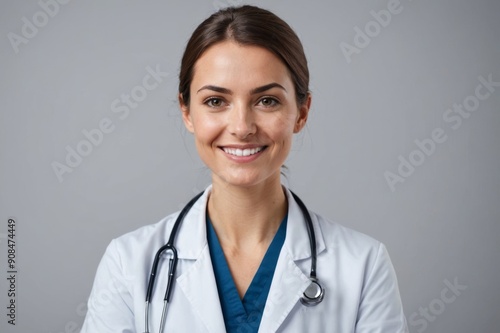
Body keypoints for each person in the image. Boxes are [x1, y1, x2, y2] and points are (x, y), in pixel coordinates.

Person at [81, 5, 408, 333]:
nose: (241, 127)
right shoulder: (128, 263)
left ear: (302, 112)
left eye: (267, 100)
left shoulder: (363, 266)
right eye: (215, 101)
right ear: (187, 112)